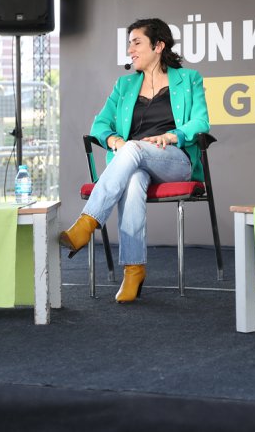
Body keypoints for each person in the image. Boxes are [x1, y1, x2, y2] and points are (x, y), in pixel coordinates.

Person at [59, 18, 210, 303]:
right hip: (133, 160)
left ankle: (87, 223)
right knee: (133, 178)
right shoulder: (124, 85)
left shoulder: (189, 79)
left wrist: (172, 136)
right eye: (129, 43)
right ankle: (133, 270)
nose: (130, 49)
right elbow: (100, 125)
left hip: (174, 161)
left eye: (137, 42)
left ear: (158, 46)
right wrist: (114, 141)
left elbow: (201, 121)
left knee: (134, 150)